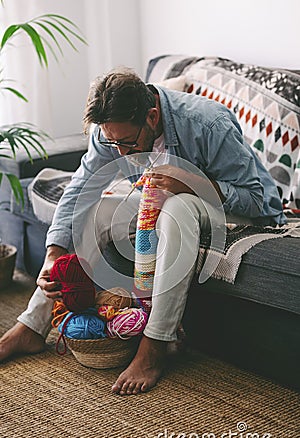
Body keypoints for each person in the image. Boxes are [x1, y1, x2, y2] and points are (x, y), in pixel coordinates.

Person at [0, 67, 286, 395]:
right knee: (101, 208)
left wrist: (191, 183)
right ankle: (31, 326)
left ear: (152, 117)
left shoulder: (209, 123)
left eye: (127, 143)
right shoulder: (112, 130)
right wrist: (53, 254)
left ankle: (154, 346)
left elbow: (256, 199)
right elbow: (82, 188)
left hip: (240, 212)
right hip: (169, 197)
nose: (120, 152)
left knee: (177, 208)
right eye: (113, 143)